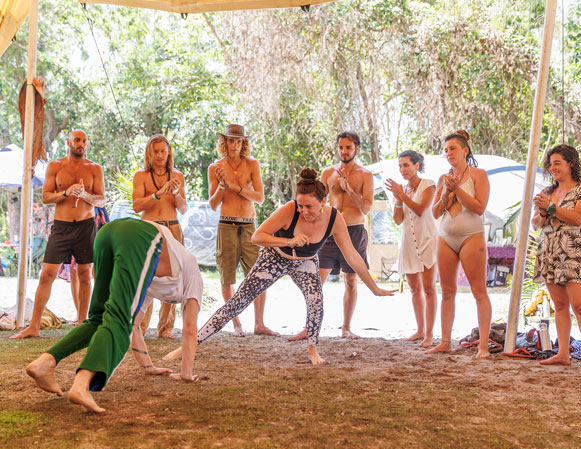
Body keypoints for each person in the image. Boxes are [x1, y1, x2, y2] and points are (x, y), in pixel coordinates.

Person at [166, 169, 395, 366]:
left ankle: (313, 350)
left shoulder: (334, 218)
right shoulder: (290, 209)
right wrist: (289, 241)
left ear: (324, 202)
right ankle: (189, 345)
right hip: (275, 256)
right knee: (237, 303)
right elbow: (257, 236)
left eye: (310, 206)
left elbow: (353, 256)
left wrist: (374, 287)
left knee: (316, 300)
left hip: (305, 261)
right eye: (301, 205)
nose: (304, 210)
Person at [24, 218, 203, 413]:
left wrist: (147, 367)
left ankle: (45, 362)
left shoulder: (147, 276)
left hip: (107, 233)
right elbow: (190, 330)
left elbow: (134, 325)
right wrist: (186, 374)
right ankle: (82, 385)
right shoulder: (194, 276)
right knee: (120, 318)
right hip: (142, 236)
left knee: (100, 317)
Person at [12, 130, 105, 339]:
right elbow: (45, 197)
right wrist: (66, 192)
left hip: (85, 226)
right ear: (68, 142)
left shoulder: (94, 168)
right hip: (61, 227)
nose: (81, 144)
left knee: (85, 274)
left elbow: (101, 200)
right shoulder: (56, 166)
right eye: (77, 140)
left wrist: (85, 195)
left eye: (84, 141)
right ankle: (33, 326)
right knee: (47, 274)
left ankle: (83, 323)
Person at [532, 144, 581, 374]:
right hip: (550, 251)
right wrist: (543, 213)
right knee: (560, 305)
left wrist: (551, 208)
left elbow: (577, 218)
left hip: (573, 252)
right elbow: (536, 223)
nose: (552, 167)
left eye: (558, 163)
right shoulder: (547, 191)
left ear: (571, 164)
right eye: (551, 163)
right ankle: (563, 353)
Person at [289, 132, 374, 341]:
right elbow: (317, 202)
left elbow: (366, 208)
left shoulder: (365, 175)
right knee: (317, 280)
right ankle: (308, 326)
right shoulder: (328, 173)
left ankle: (346, 327)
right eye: (341, 147)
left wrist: (350, 190)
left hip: (354, 230)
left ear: (357, 149)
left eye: (349, 148)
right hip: (329, 232)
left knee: (351, 281)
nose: (344, 152)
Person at [426, 130, 492, 358]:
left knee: (479, 291)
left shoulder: (479, 174)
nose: (448, 153)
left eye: (452, 148)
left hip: (471, 235)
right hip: (445, 236)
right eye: (445, 150)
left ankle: (483, 345)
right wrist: (446, 192)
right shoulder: (443, 179)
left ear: (465, 150)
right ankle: (445, 341)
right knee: (446, 291)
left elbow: (480, 207)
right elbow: (435, 212)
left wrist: (458, 191)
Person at [208, 124, 276, 337]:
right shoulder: (215, 167)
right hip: (226, 223)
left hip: (249, 224)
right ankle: (236, 323)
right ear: (224, 142)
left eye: (238, 141)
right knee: (227, 277)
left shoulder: (252, 164)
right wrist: (221, 185)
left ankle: (259, 323)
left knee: (259, 275)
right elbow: (212, 204)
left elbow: (260, 197)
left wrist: (234, 186)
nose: (235, 145)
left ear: (243, 143)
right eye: (231, 140)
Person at [133, 134, 188, 338]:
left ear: (169, 152)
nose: (159, 155)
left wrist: (174, 193)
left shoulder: (178, 176)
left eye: (163, 151)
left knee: (173, 276)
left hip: (172, 227)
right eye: (155, 151)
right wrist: (157, 194)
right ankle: (139, 326)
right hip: (149, 229)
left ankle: (166, 328)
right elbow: (137, 205)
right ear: (150, 153)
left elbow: (183, 209)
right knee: (145, 276)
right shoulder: (141, 175)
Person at [385, 150, 438, 348]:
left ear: (417, 165)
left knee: (429, 288)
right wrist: (398, 198)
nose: (402, 169)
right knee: (415, 289)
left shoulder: (428, 185)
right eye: (400, 166)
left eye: (406, 165)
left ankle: (430, 334)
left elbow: (420, 209)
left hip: (427, 240)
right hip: (408, 243)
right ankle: (420, 329)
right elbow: (398, 220)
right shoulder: (400, 190)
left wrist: (401, 194)